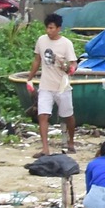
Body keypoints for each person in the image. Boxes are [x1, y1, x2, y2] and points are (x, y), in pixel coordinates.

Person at [26, 12, 79, 154]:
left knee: (68, 115)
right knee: (43, 115)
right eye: (47, 28)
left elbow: (73, 64)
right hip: (45, 85)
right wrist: (30, 78)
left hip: (62, 86)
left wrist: (68, 68)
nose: (48, 31)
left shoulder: (66, 43)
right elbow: (37, 59)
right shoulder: (41, 40)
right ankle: (45, 149)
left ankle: (71, 142)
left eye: (51, 28)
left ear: (58, 28)